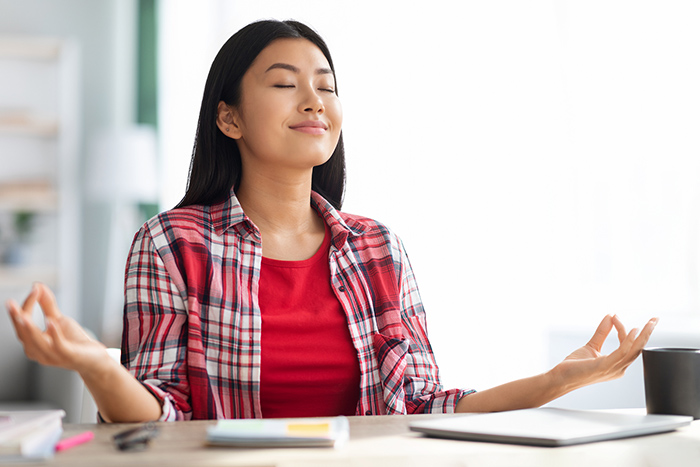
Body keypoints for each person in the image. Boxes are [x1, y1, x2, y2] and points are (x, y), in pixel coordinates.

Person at [6, 20, 657, 423]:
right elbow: (161, 415)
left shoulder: (377, 248)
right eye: (285, 83)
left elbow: (421, 406)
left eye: (326, 83)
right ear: (228, 118)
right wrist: (97, 363)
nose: (315, 99)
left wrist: (553, 382)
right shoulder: (173, 243)